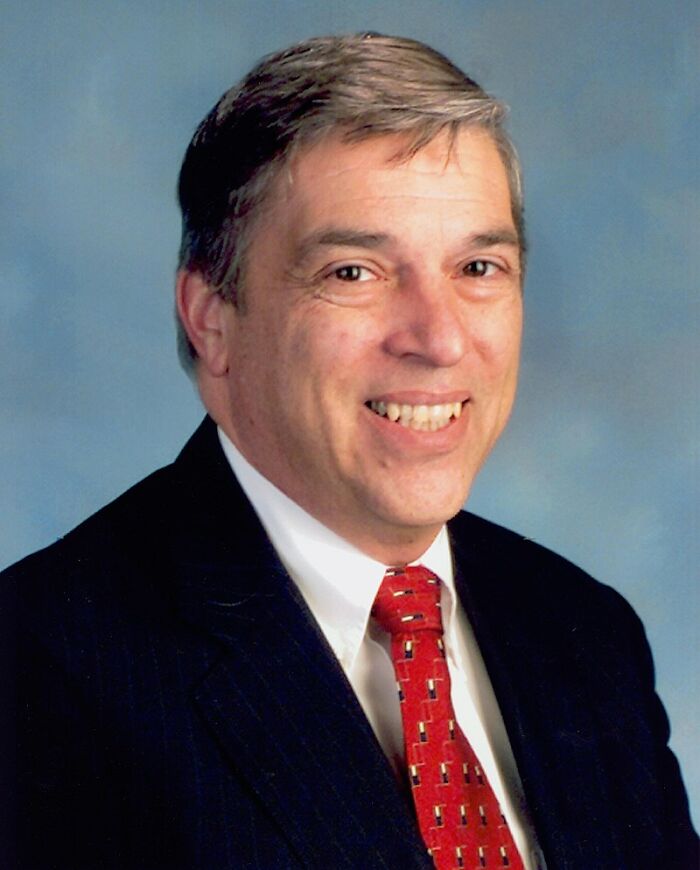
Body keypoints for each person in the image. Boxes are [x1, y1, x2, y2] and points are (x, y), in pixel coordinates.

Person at [1, 33, 696, 870]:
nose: (439, 340)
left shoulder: (583, 633)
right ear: (212, 318)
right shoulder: (40, 667)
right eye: (354, 273)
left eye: (478, 266)